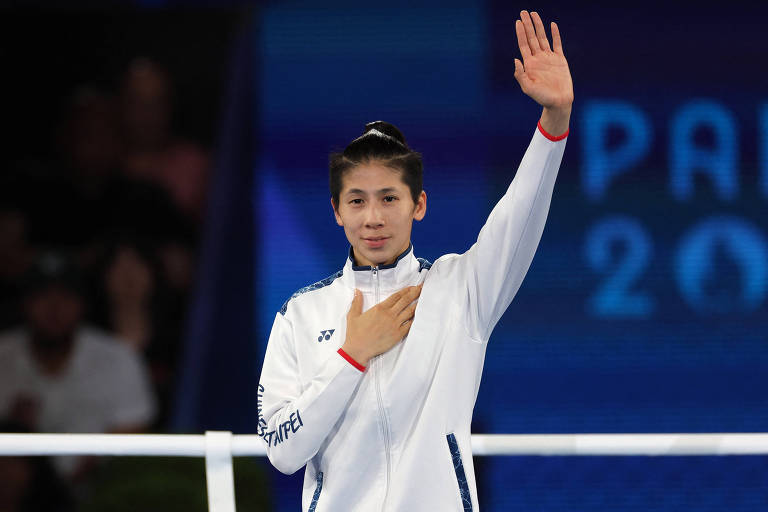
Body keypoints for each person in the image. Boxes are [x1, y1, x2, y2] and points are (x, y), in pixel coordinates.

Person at [258, 10, 573, 511]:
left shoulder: (460, 290)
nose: (373, 217)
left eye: (389, 198)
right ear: (337, 211)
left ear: (418, 204)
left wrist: (554, 122)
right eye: (357, 201)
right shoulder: (301, 314)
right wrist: (351, 357)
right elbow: (282, 451)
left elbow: (520, 215)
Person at [0, 251, 156, 478]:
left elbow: (133, 443)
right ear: (24, 303)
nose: (54, 308)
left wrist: (96, 467)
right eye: (42, 296)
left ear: (83, 303)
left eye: (65, 296)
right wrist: (14, 428)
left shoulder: (118, 358)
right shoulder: (4, 354)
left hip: (98, 494)